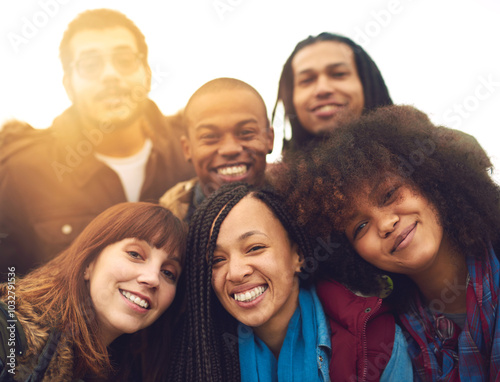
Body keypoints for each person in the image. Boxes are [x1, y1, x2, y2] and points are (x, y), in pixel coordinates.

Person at [273, 105, 500, 380]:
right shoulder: (393, 338)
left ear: (431, 181)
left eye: (390, 193)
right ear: (352, 254)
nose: (385, 224)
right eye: (360, 226)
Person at [0, 9, 195, 281]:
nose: (110, 75)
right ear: (69, 85)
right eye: (90, 65)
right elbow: (6, 286)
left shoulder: (194, 155)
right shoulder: (22, 172)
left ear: (147, 74)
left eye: (125, 60)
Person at [167, 182, 412, 381]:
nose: (235, 272)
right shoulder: (198, 356)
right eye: (217, 260)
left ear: (298, 255)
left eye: (254, 247)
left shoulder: (377, 339)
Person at [0, 202, 186, 381]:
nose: (153, 278)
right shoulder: (7, 333)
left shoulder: (133, 367)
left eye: (168, 273)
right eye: (135, 254)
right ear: (88, 262)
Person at [159, 77, 274, 222]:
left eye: (246, 132)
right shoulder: (167, 223)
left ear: (269, 139)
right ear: (187, 149)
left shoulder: (301, 211)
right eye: (210, 136)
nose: (230, 149)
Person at [272, 32, 392, 153]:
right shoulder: (269, 171)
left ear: (366, 83)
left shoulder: (407, 162)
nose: (322, 89)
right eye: (307, 80)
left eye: (339, 74)